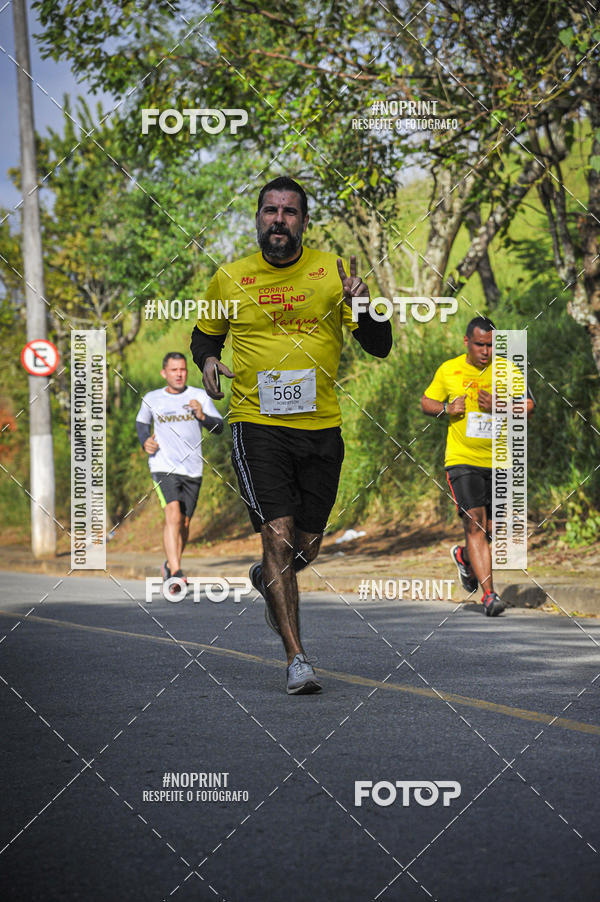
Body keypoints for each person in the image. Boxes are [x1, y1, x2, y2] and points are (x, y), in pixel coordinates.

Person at [190, 175, 392, 694]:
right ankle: (297, 659)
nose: (278, 219)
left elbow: (379, 345)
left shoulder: (333, 271)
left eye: (289, 211)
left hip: (320, 427)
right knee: (277, 535)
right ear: (258, 218)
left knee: (305, 547)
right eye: (270, 210)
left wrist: (364, 304)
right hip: (257, 424)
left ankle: (267, 579)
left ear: (303, 221)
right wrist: (208, 359)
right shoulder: (229, 277)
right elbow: (204, 336)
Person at [421, 317, 535, 616]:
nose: (486, 351)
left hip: (499, 460)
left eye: (491, 345)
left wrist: (499, 405)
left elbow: (528, 406)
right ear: (467, 342)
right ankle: (489, 596)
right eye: (480, 345)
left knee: (494, 529)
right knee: (475, 522)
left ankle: (465, 557)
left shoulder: (507, 370)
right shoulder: (449, 369)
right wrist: (446, 408)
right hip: (462, 459)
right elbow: (426, 402)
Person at [136, 352, 223, 588]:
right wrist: (145, 441)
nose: (179, 374)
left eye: (182, 369)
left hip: (193, 468)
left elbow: (218, 427)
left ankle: (170, 564)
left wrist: (202, 415)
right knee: (173, 514)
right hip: (163, 465)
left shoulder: (199, 396)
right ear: (164, 373)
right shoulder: (153, 398)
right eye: (174, 370)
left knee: (184, 524)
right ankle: (176, 572)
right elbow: (142, 423)